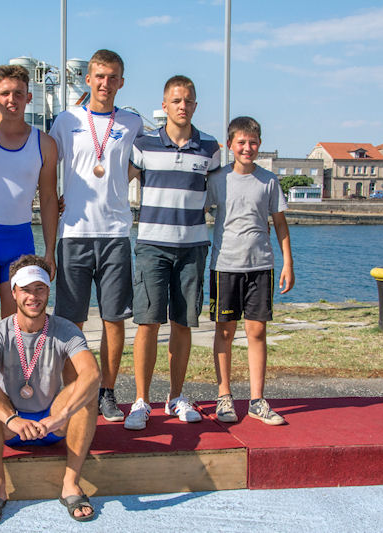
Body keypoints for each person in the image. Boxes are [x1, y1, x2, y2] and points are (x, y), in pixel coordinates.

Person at [0, 255, 100, 525]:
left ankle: (70, 483)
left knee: (86, 390)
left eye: (40, 288)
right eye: (26, 289)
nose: (33, 296)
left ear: (48, 291)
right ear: (14, 293)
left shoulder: (66, 330)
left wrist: (60, 417)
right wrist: (11, 419)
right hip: (10, 426)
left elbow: (92, 374)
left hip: (53, 424)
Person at [49, 49, 143, 423]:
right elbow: (45, 164)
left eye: (113, 77)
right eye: (99, 76)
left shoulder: (133, 122)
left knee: (113, 319)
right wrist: (57, 196)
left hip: (115, 232)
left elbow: (143, 163)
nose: (106, 83)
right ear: (88, 80)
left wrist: (118, 180)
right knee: (70, 323)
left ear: (121, 82)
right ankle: (74, 392)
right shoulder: (66, 120)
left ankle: (106, 391)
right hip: (74, 232)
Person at [123, 75, 221, 430]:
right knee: (148, 323)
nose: (183, 106)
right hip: (152, 246)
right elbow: (116, 185)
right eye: (176, 100)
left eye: (188, 100)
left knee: (183, 323)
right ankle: (141, 401)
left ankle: (176, 397)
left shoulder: (210, 148)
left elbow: (220, 192)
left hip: (192, 247)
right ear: (164, 105)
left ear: (195, 105)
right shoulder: (144, 145)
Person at [0, 64, 58, 364]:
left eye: (18, 93)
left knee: (16, 322)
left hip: (19, 243)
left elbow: (48, 200)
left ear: (29, 97)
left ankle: (13, 386)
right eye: (5, 93)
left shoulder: (45, 144)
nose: (11, 99)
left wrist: (50, 251)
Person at [206, 116, 295, 426]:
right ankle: (224, 396)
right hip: (225, 266)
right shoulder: (217, 179)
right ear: (230, 144)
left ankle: (257, 400)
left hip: (261, 266)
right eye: (241, 142)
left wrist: (287, 263)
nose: (247, 148)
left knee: (256, 331)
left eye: (253, 143)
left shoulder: (269, 181)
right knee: (225, 332)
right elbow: (196, 212)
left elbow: (280, 224)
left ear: (260, 145)